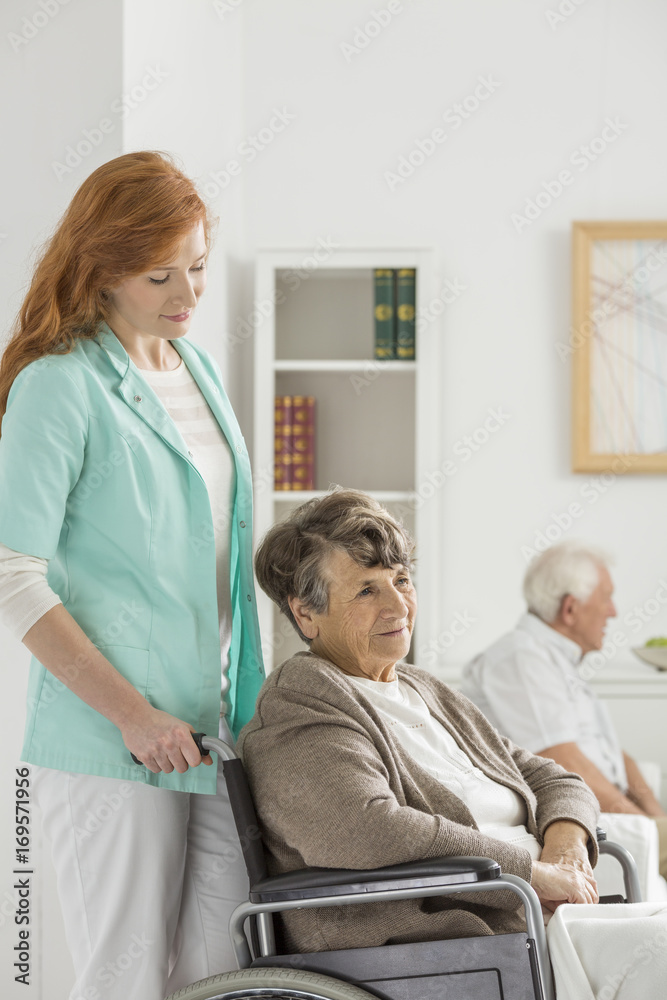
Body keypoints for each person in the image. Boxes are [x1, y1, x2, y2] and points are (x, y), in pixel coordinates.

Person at [0, 151, 265, 998]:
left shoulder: (198, 370)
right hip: (113, 741)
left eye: (197, 266)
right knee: (125, 983)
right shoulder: (58, 386)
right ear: (102, 268)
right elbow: (12, 574)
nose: (188, 294)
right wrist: (132, 715)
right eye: (159, 276)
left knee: (225, 972)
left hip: (216, 730)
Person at [238, 489, 601, 956]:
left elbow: (553, 778)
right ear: (306, 614)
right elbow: (367, 830)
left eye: (402, 579)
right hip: (459, 938)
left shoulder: (421, 688)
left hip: (541, 917)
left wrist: (566, 855)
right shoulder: (300, 702)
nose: (398, 606)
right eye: (366, 590)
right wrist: (530, 875)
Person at [461, 541, 667, 888]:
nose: (614, 612)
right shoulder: (521, 658)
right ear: (570, 609)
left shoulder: (556, 661)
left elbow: (614, 756)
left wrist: (655, 817)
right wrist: (644, 825)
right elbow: (563, 762)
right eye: (607, 598)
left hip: (610, 812)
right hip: (579, 815)